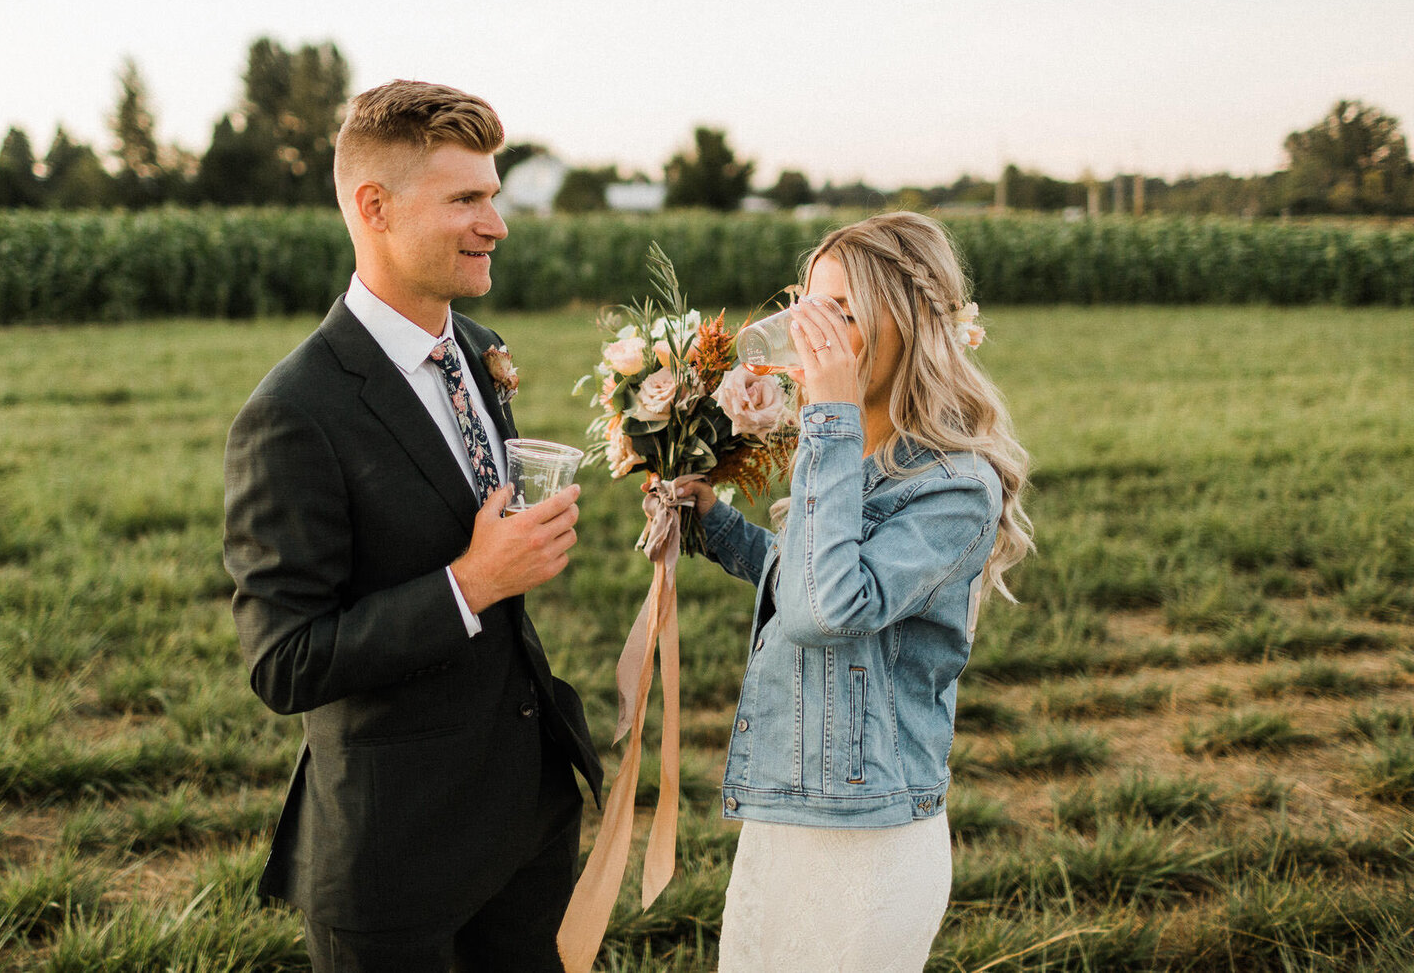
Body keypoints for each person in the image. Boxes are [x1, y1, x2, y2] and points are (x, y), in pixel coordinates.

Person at [222, 80, 603, 973]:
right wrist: (471, 583)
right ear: (375, 208)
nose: (496, 222)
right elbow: (285, 661)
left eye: (493, 196)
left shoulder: (475, 349)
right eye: (466, 199)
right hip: (396, 858)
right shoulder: (293, 413)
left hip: (524, 814)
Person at [675, 212, 1033, 973]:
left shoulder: (957, 488)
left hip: (868, 840)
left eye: (842, 313)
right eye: (810, 307)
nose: (812, 335)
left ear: (907, 325)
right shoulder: (855, 450)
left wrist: (828, 419)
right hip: (788, 812)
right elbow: (810, 572)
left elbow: (826, 610)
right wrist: (717, 524)